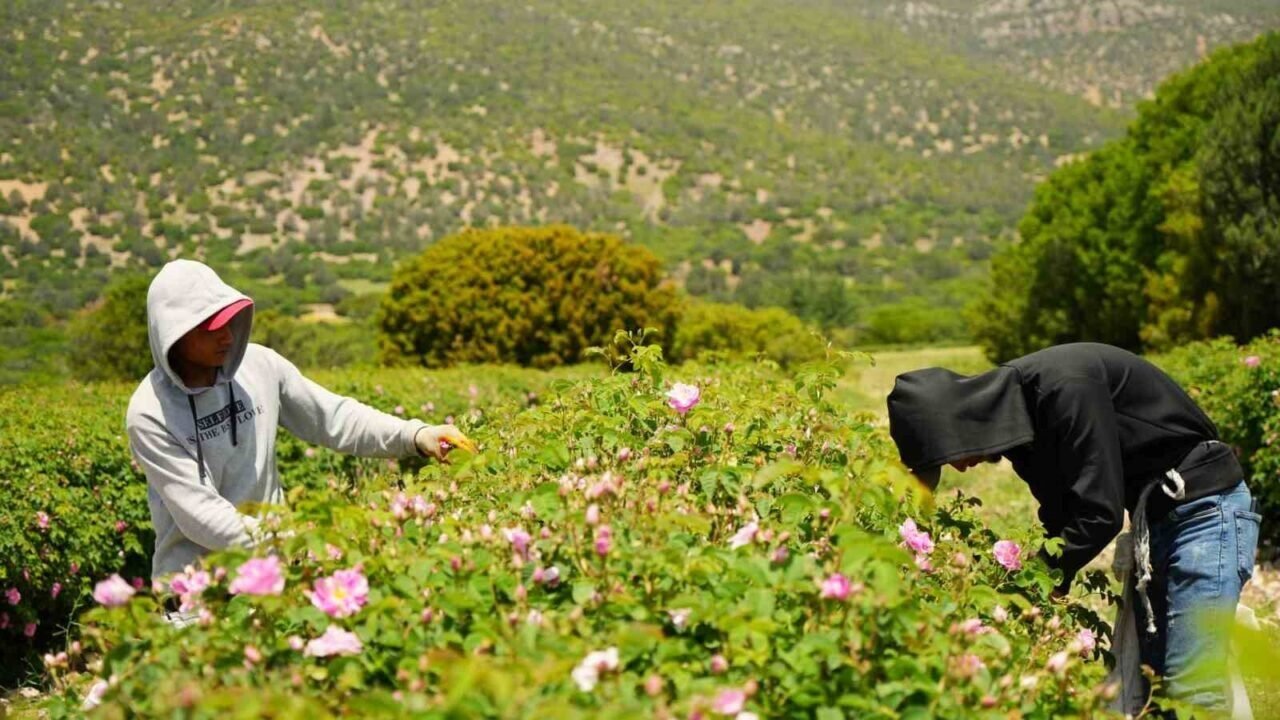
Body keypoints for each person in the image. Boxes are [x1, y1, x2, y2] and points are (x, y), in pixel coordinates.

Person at [886, 342, 1260, 713]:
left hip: (1206, 514)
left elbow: (1100, 512)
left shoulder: (1064, 387)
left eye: (949, 453)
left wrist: (1036, 580)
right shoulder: (1024, 426)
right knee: (1154, 690)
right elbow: (1061, 514)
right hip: (1158, 522)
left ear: (961, 424)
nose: (958, 467)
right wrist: (1040, 595)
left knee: (1192, 688)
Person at [126, 259, 476, 588]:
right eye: (212, 328)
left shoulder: (260, 367)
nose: (228, 337)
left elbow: (333, 417)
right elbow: (201, 515)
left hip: (274, 578)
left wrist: (416, 435)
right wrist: (295, 544)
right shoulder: (150, 413)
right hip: (197, 594)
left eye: (229, 322)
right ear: (174, 332)